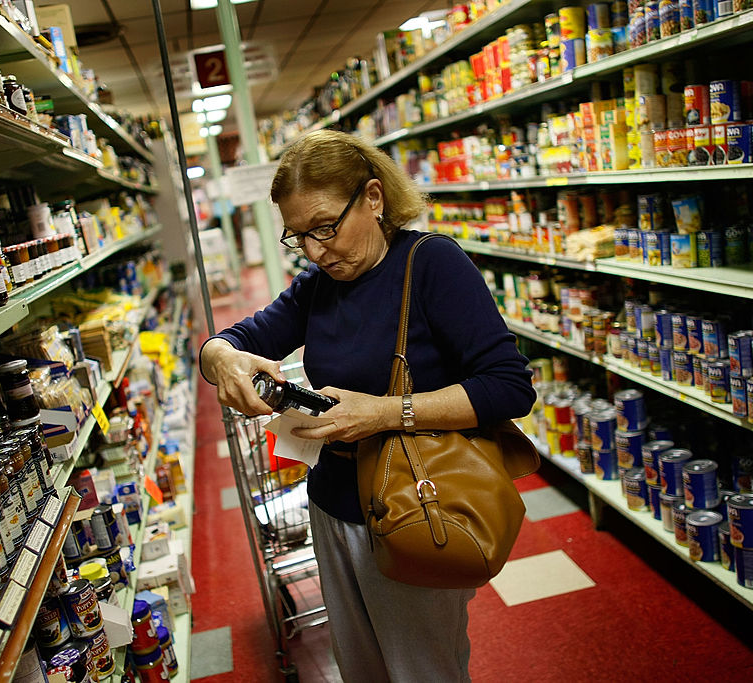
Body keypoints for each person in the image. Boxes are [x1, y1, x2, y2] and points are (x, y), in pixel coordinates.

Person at [199, 129, 536, 681]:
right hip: (333, 503)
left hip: (416, 504)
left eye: (326, 227)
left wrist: (385, 412)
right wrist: (221, 358)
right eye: (298, 236)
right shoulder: (318, 285)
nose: (314, 250)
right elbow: (235, 338)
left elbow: (508, 386)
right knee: (361, 668)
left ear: (374, 198)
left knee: (423, 669)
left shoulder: (432, 264)